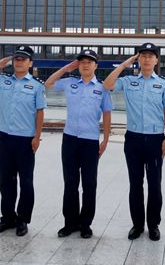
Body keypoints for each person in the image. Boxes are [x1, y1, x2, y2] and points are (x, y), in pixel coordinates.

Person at [103, 42, 165, 241]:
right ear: (138, 59)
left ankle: (153, 225)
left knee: (155, 184)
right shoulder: (128, 81)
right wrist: (124, 65)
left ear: (156, 60)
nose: (147, 59)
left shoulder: (163, 84)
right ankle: (137, 224)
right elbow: (107, 85)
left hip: (155, 139)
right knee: (135, 184)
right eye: (143, 55)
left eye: (151, 56)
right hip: (133, 139)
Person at [0, 45, 46, 237]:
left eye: (23, 59)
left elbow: (40, 112)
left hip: (26, 140)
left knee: (26, 182)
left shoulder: (37, 86)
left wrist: (37, 137)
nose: (19, 62)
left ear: (30, 63)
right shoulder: (2, 80)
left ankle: (22, 219)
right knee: (5, 181)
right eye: (17, 59)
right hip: (5, 138)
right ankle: (7, 218)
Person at [45, 49, 112, 239]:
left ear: (96, 66)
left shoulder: (102, 88)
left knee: (89, 184)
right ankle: (70, 223)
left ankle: (85, 224)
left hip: (90, 141)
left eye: (89, 62)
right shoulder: (70, 83)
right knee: (70, 183)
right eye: (82, 62)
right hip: (70, 140)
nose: (85, 65)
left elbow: (107, 113)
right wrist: (67, 68)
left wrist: (106, 139)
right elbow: (48, 83)